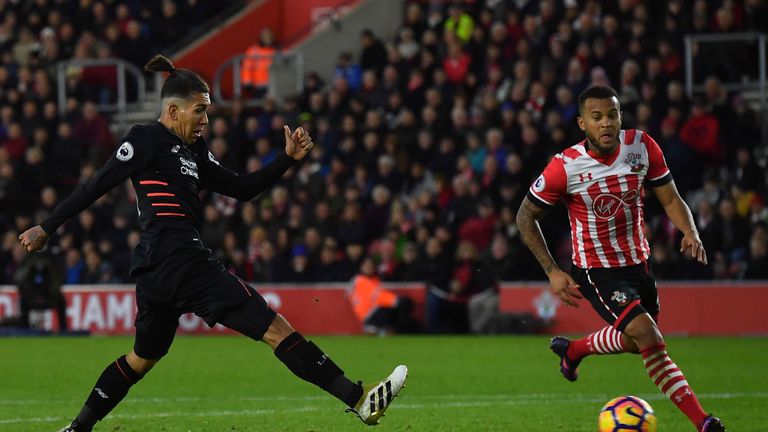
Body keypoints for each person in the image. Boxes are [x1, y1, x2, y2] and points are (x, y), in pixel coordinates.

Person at [18, 55, 406, 432]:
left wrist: (286, 159)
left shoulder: (195, 151)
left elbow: (241, 188)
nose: (205, 119)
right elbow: (97, 184)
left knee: (142, 358)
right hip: (180, 259)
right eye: (199, 110)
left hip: (159, 270)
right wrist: (47, 227)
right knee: (275, 328)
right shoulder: (146, 138)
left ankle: (77, 428)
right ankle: (360, 400)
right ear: (173, 111)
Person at [515, 85, 725, 432]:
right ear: (582, 123)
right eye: (597, 117)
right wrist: (552, 270)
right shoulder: (564, 167)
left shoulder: (641, 147)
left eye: (612, 115)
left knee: (635, 340)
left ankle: (575, 350)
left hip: (638, 265)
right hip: (596, 271)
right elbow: (524, 217)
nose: (607, 123)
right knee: (650, 336)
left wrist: (690, 231)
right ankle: (703, 422)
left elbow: (671, 199)